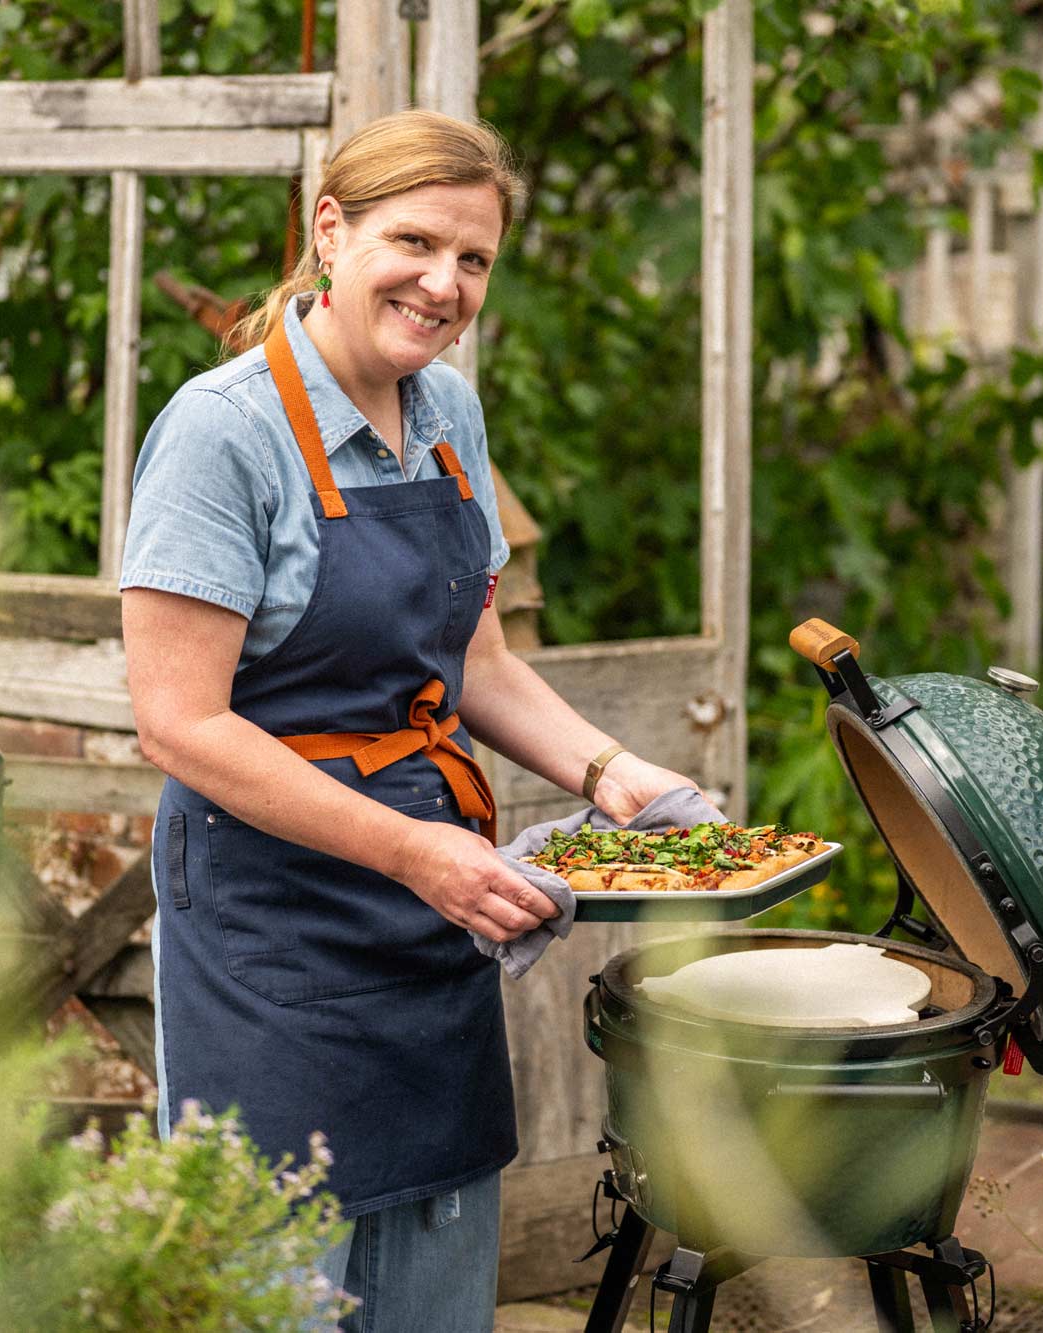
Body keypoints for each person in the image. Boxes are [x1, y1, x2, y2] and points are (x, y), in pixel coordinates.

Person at [119, 110, 695, 1329]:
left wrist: (608, 770)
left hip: (431, 911)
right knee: (272, 1282)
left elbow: (473, 658)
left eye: (473, 259)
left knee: (434, 1273)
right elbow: (177, 725)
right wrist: (413, 850)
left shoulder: (448, 419)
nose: (442, 283)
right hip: (268, 933)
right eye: (413, 241)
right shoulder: (222, 437)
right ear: (329, 230)